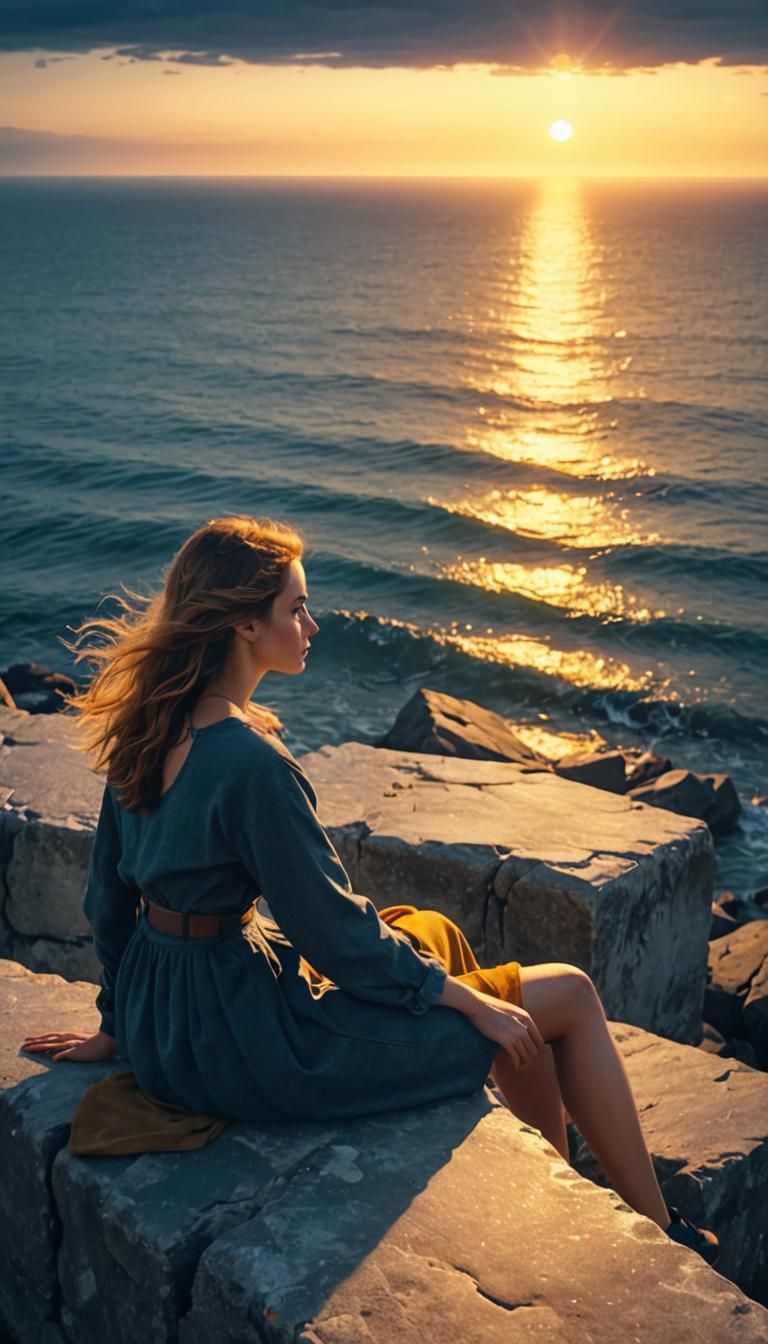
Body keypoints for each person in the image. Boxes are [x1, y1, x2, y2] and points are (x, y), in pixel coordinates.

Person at [22, 514, 718, 1265]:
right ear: (246, 625)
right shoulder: (251, 766)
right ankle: (655, 1230)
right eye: (296, 609)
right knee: (570, 996)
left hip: (166, 1024)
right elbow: (335, 935)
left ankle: (562, 1172)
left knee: (424, 926)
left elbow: (108, 903)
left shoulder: (147, 728)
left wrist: (120, 1026)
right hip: (243, 1044)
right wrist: (468, 1001)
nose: (312, 624)